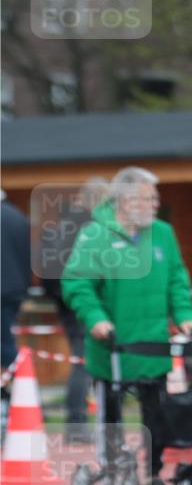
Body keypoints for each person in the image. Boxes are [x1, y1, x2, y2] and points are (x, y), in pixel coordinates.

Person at [62, 166, 192, 485]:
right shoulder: (95, 235)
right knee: (112, 412)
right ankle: (113, 474)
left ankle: (151, 474)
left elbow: (178, 279)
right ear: (124, 201)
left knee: (157, 411)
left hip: (154, 344)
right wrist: (94, 318)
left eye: (155, 197)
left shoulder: (163, 233)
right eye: (146, 198)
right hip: (112, 345)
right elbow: (77, 282)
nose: (155, 203)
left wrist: (184, 315)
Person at [41, 177, 110, 442]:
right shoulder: (89, 226)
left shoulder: (63, 223)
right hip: (79, 297)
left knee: (82, 357)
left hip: (63, 295)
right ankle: (77, 424)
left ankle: (78, 421)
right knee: (84, 359)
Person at [1, 192, 32, 442]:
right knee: (5, 343)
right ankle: (18, 390)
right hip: (13, 291)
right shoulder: (18, 217)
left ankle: (20, 390)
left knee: (5, 346)